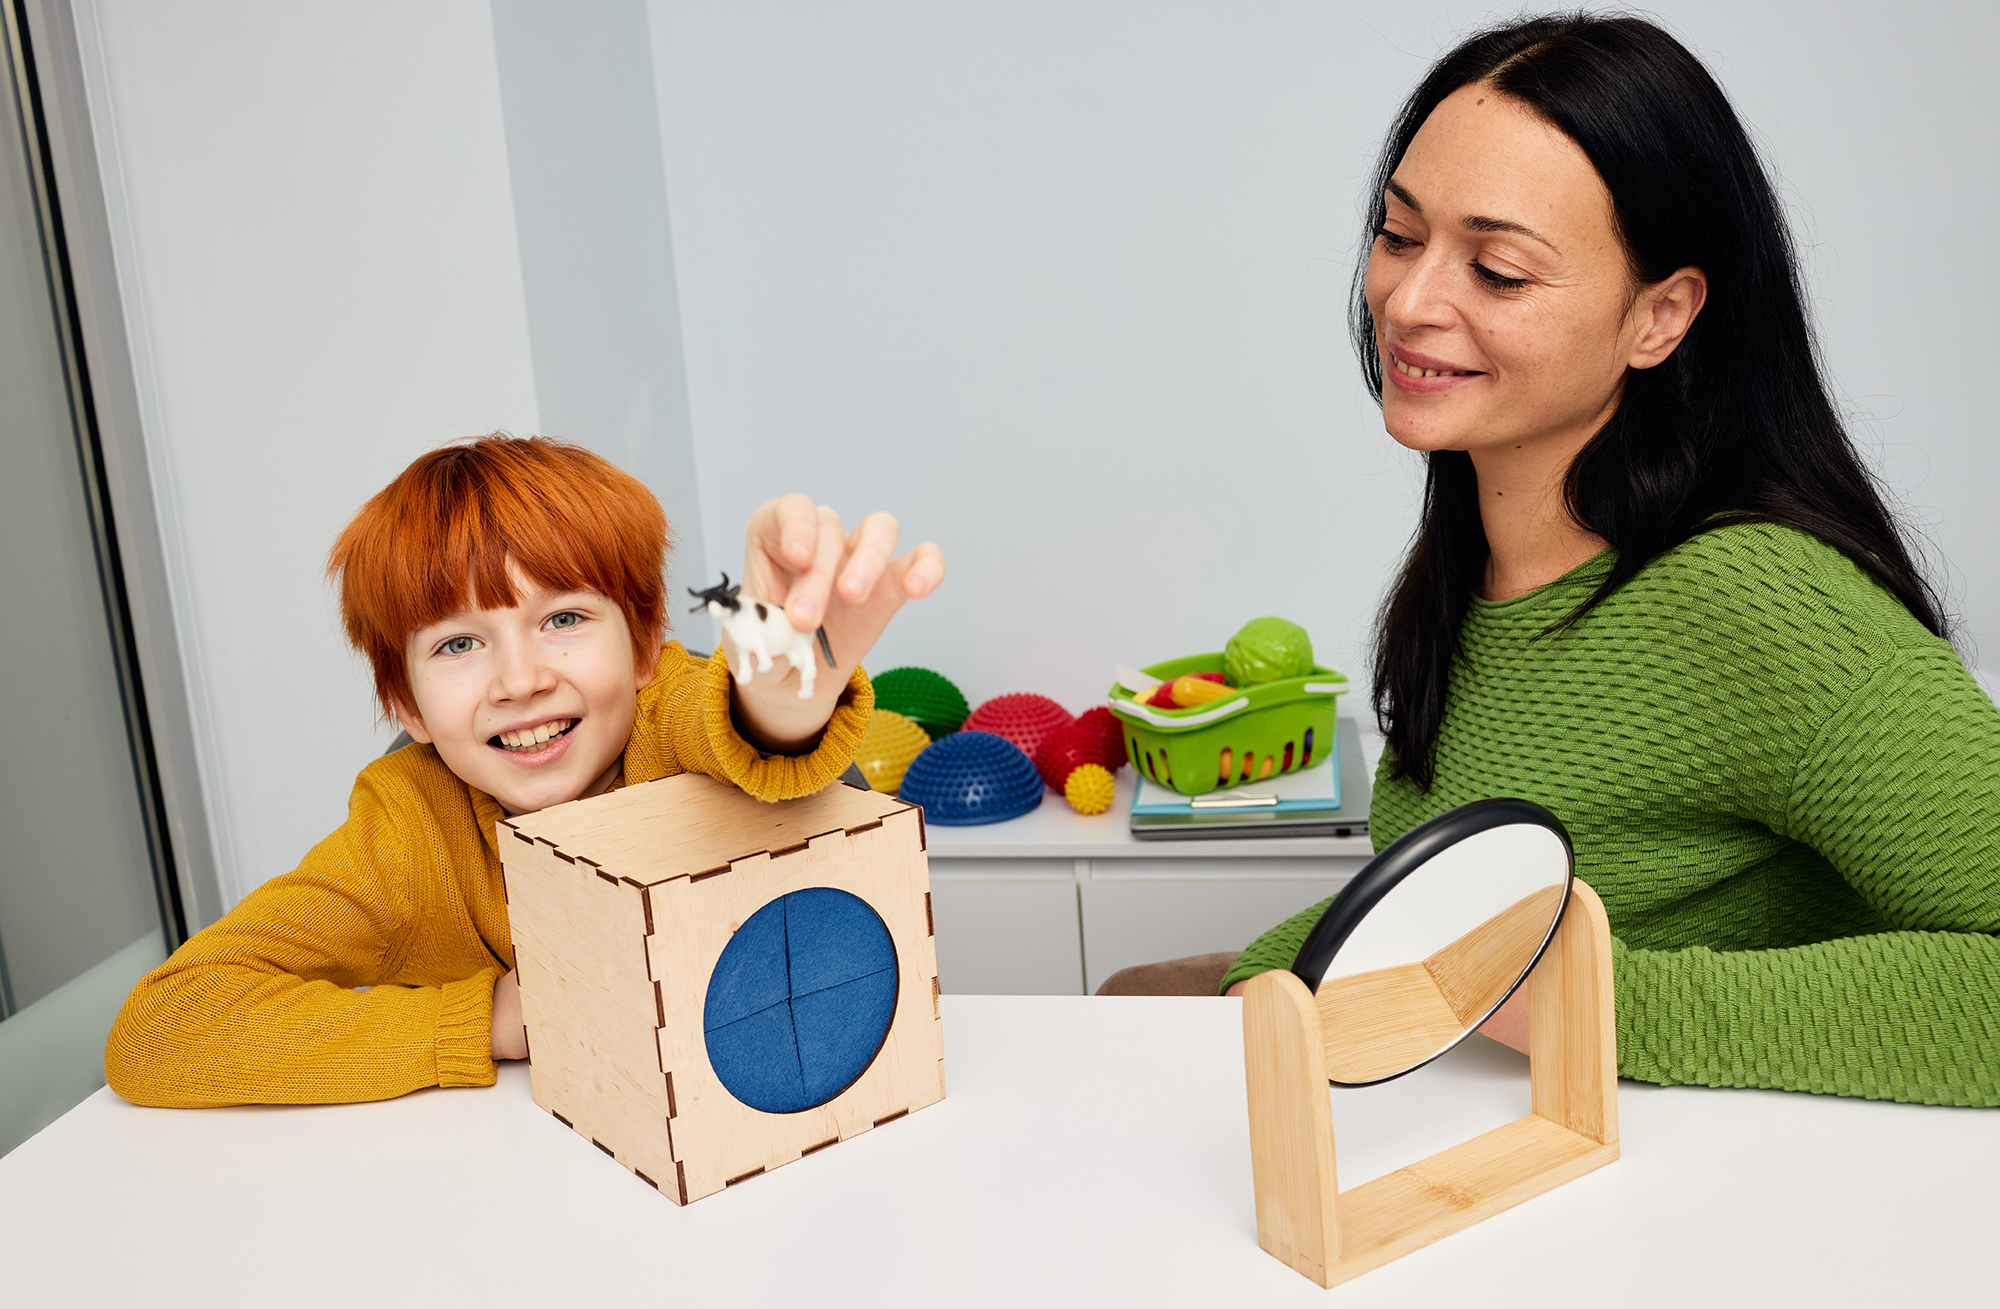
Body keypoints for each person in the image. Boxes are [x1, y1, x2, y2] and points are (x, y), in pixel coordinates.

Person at [1183, 15, 2000, 1107]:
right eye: (1396, 234)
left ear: (1658, 316)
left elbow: (1517, 968)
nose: (1409, 302)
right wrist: (1280, 969)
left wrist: (1573, 999)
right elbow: (1464, 901)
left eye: (1498, 270)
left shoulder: (1759, 598)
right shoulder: (1474, 568)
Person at [106, 435, 944, 1107]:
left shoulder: (671, 711)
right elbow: (157, 1030)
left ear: (649, 640)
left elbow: (741, 732)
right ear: (406, 703)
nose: (520, 680)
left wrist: (784, 699)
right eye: (459, 643)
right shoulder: (408, 827)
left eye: (565, 617)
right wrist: (492, 1019)